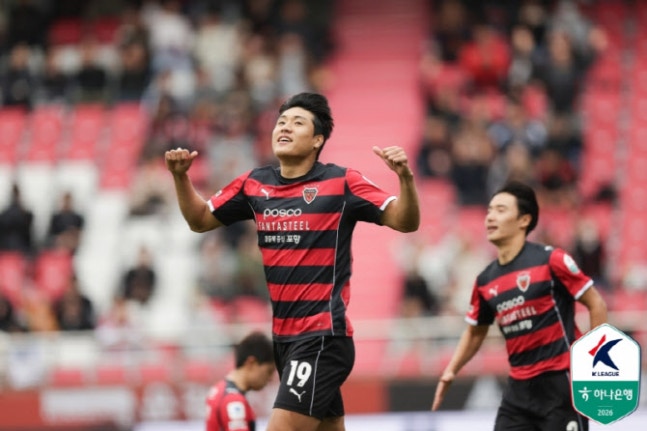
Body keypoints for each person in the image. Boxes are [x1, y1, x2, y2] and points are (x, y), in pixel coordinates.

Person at [165, 92, 420, 431]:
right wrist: (181, 177)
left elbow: (405, 221)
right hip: (284, 341)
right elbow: (199, 220)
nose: (284, 128)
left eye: (297, 123)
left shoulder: (342, 182)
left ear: (317, 140)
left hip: (321, 336)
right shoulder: (254, 184)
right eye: (281, 122)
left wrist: (405, 178)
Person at [431, 181, 608, 431]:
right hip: (518, 391)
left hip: (560, 383)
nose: (490, 217)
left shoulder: (552, 261)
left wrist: (595, 362)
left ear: (524, 220)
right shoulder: (485, 280)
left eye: (501, 210)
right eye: (489, 210)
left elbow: (596, 303)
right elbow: (475, 332)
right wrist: (451, 370)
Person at [205, 331, 276, 431]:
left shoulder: (219, 388)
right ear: (251, 363)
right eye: (269, 371)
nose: (270, 378)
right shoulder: (234, 401)